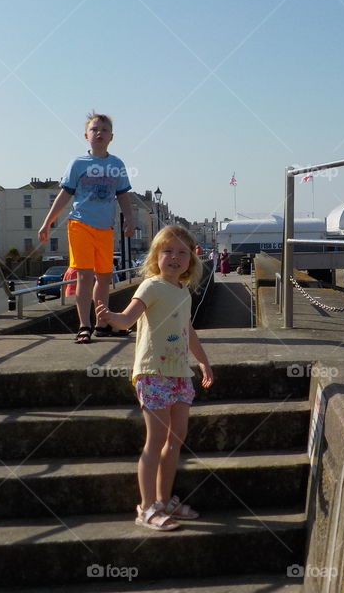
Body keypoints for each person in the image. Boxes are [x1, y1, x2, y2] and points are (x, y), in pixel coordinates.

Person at [95, 225, 214, 531]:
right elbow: (127, 319)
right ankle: (146, 507)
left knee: (177, 439)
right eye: (167, 251)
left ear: (191, 259)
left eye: (182, 252)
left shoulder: (183, 291)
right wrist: (110, 318)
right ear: (156, 257)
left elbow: (189, 333)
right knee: (156, 440)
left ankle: (164, 500)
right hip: (153, 372)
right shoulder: (151, 286)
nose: (174, 257)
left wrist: (203, 363)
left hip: (178, 373)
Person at [38, 111, 135, 343]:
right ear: (85, 135)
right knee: (85, 276)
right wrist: (48, 221)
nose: (99, 133)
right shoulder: (78, 163)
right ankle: (84, 325)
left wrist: (129, 219)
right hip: (80, 224)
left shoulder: (117, 164)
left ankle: (102, 323)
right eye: (94, 129)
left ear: (111, 136)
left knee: (104, 277)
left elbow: (123, 196)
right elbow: (65, 194)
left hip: (105, 228)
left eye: (104, 130)